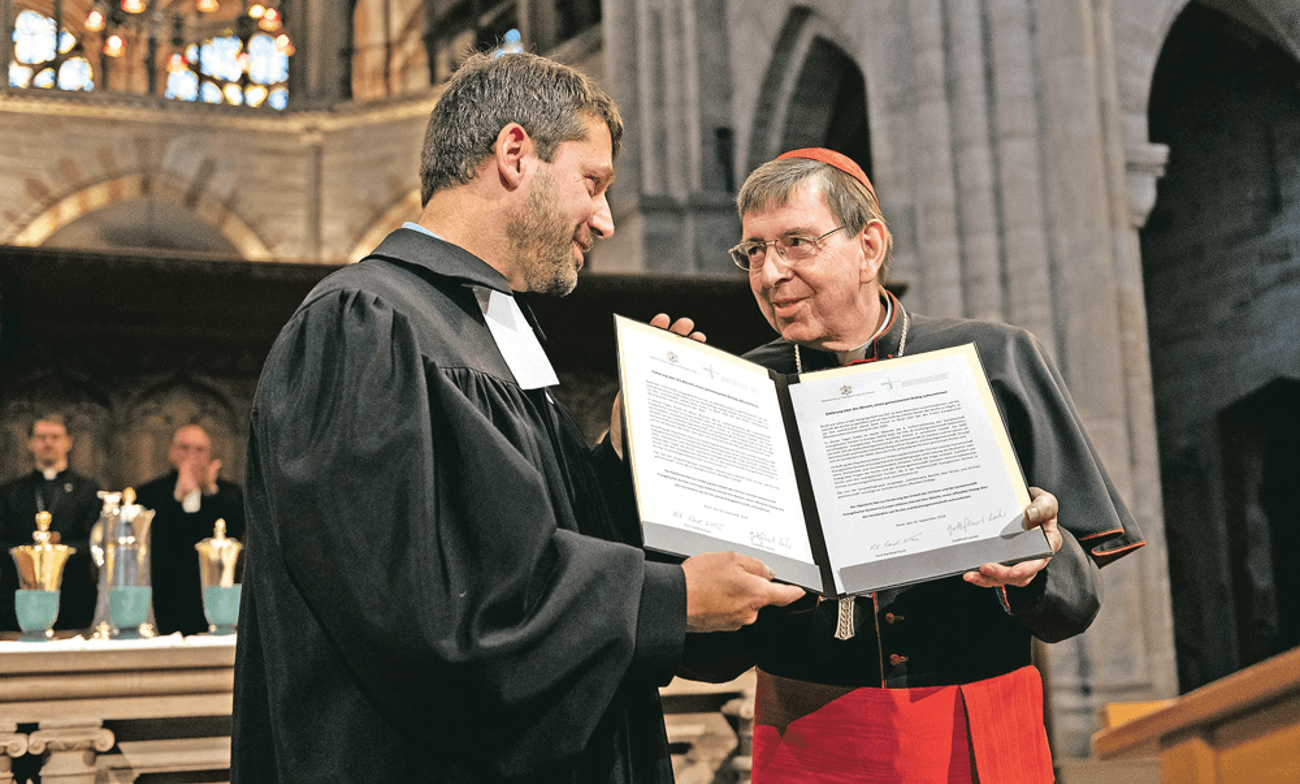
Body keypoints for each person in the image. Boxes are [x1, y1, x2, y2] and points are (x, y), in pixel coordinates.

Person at [230, 50, 804, 784]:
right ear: (513, 153)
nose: (604, 220)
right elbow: (422, 612)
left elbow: (519, 532)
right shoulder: (366, 322)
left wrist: (623, 455)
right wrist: (669, 598)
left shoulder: (485, 323)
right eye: (591, 184)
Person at [680, 148, 1146, 784]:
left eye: (795, 242)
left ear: (869, 246)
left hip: (975, 726)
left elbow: (1075, 604)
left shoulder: (995, 358)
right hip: (811, 735)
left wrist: (1041, 559)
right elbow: (711, 646)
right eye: (754, 251)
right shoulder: (741, 390)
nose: (769, 272)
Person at [133, 424, 245, 635]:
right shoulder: (150, 492)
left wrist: (210, 492)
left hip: (213, 591)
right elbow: (153, 537)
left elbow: (235, 531)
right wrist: (178, 496)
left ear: (210, 454)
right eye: (185, 448)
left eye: (199, 449)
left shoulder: (228, 492)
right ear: (172, 452)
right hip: (165, 589)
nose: (192, 455)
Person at [0, 414, 102, 631]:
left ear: (68, 442)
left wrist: (59, 547)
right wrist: (29, 553)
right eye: (41, 437)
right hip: (20, 599)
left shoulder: (87, 491)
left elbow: (95, 544)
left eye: (55, 437)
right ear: (31, 443)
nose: (48, 443)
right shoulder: (12, 492)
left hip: (74, 598)